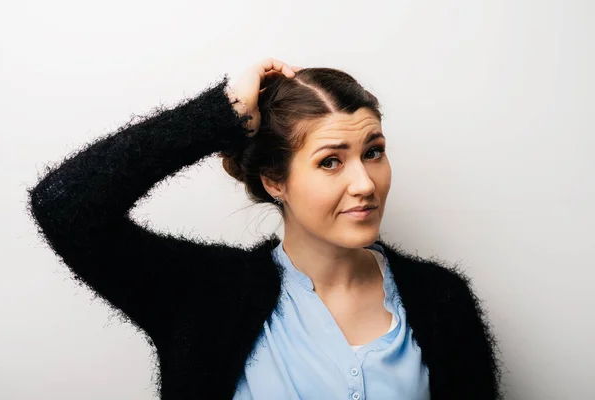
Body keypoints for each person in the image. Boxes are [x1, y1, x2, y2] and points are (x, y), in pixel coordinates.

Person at [28, 57, 503, 399]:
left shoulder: (441, 299)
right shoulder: (205, 295)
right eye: (331, 161)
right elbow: (65, 202)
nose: (365, 183)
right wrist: (218, 113)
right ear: (276, 180)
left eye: (373, 152)